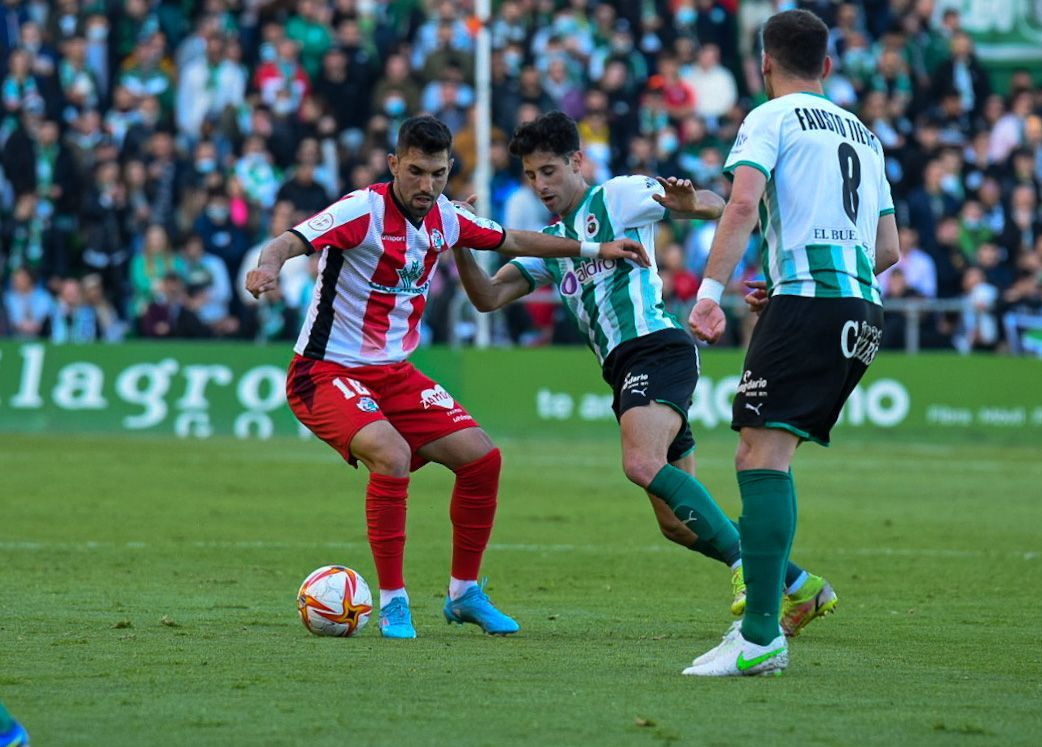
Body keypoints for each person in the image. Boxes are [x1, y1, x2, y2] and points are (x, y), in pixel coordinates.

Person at [244, 115, 647, 640]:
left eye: (437, 174)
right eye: (415, 172)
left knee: (483, 460)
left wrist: (596, 248)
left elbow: (515, 241)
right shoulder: (361, 210)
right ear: (394, 165)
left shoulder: (447, 219)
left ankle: (464, 593)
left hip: (395, 374)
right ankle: (392, 602)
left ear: (448, 170)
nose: (426, 185)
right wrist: (267, 266)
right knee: (390, 455)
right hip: (323, 371)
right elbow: (291, 240)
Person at [450, 110, 835, 634]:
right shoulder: (554, 244)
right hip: (626, 368)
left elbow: (719, 204)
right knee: (676, 524)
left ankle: (750, 571)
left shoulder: (620, 195)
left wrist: (687, 205)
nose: (540, 185)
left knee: (639, 462)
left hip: (657, 347)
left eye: (548, 171)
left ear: (575, 162)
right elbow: (488, 297)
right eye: (530, 175)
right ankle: (801, 586)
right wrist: (461, 247)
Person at [682, 9, 901, 677]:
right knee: (760, 450)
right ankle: (765, 622)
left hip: (812, 301)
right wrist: (787, 286)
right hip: (859, 308)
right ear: (827, 67)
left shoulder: (769, 117)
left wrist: (707, 294)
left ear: (763, 65)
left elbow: (741, 204)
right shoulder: (864, 133)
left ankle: (758, 636)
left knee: (760, 456)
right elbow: (886, 249)